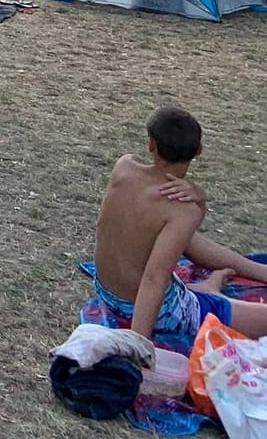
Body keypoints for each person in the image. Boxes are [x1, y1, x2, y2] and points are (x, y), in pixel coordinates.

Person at [91, 106, 267, 344]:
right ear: (199, 150)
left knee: (176, 233)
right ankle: (209, 295)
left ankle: (222, 285)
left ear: (151, 145)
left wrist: (199, 196)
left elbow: (182, 237)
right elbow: (154, 278)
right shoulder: (183, 211)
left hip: (106, 289)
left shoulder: (124, 166)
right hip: (147, 307)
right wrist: (137, 343)